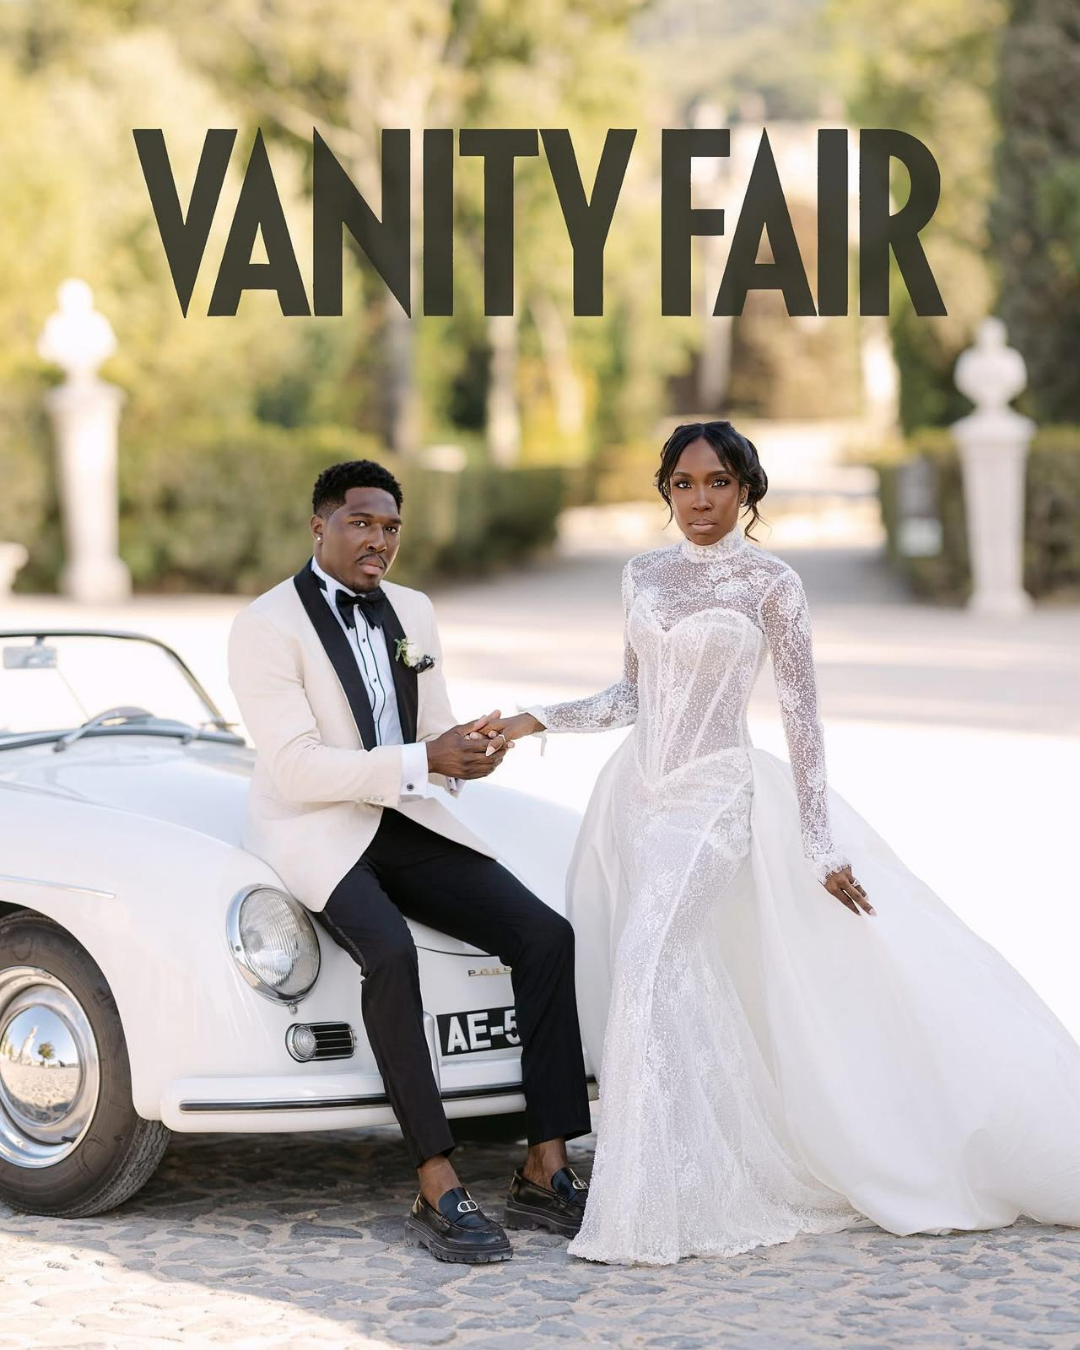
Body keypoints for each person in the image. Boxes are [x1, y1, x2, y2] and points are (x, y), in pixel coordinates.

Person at [476, 420, 1080, 1266]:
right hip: (640, 799)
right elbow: (630, 695)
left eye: (717, 482)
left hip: (717, 798)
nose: (699, 500)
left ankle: (641, 1207)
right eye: (683, 484)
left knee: (649, 963)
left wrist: (820, 843)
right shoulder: (642, 574)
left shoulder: (773, 583)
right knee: (661, 978)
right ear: (666, 492)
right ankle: (686, 1177)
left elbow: (801, 716)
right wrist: (535, 717)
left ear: (747, 490)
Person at [227, 459, 592, 1264]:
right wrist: (424, 758)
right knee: (388, 951)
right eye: (360, 522)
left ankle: (546, 1163)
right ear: (318, 525)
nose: (378, 540)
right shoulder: (266, 625)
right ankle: (436, 1177)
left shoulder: (414, 611)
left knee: (546, 936)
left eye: (390, 527)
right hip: (315, 826)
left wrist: (468, 751)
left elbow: (433, 727)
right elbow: (295, 768)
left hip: (404, 814)